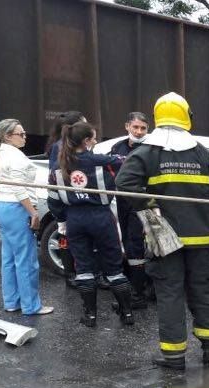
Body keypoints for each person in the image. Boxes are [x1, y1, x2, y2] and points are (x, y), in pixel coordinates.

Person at [116, 92, 209, 369]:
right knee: (203, 291)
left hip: (165, 241)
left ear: (157, 117)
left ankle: (174, 356)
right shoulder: (203, 153)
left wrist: (151, 205)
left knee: (170, 294)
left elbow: (123, 183)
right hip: (202, 240)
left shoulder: (146, 152)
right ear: (186, 116)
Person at [50, 122, 134, 327]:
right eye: (94, 138)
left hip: (75, 220)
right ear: (86, 141)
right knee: (114, 266)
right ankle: (127, 314)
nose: (96, 141)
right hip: (101, 217)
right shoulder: (104, 161)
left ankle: (90, 316)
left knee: (84, 268)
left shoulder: (58, 168)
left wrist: (61, 221)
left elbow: (53, 200)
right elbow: (128, 163)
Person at [0, 119, 53, 315]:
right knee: (26, 260)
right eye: (21, 134)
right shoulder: (15, 156)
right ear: (8, 136)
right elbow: (19, 188)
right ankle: (30, 306)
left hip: (3, 206)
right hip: (16, 207)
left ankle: (12, 302)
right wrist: (33, 212)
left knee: (9, 258)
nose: (25, 137)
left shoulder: (3, 152)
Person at [108, 112, 151, 307]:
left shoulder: (152, 148)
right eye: (136, 127)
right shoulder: (117, 147)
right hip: (121, 202)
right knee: (126, 244)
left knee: (136, 246)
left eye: (143, 128)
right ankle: (132, 288)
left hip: (142, 204)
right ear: (127, 126)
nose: (139, 132)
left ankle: (139, 295)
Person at [48, 111, 87, 288]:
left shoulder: (64, 143)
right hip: (67, 198)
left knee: (71, 238)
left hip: (72, 196)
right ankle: (70, 273)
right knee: (65, 238)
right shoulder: (61, 146)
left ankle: (76, 272)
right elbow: (56, 173)